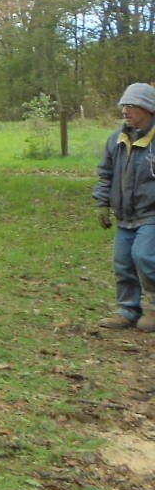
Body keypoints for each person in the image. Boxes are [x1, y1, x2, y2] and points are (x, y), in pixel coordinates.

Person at [94, 82, 155, 332]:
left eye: (131, 105)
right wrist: (102, 203)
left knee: (144, 257)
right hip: (125, 215)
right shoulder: (116, 140)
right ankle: (128, 311)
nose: (125, 111)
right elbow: (105, 173)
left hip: (151, 214)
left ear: (148, 108)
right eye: (123, 106)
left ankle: (153, 308)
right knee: (122, 262)